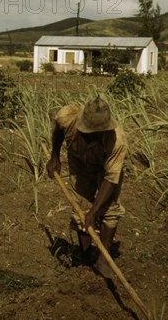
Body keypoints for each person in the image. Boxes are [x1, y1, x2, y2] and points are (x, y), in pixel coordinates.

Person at [46, 95, 127, 278]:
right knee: (81, 208)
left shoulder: (117, 142)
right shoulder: (67, 117)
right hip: (80, 162)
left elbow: (110, 179)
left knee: (109, 209)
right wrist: (55, 156)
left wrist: (95, 211)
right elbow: (58, 131)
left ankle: (104, 259)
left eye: (97, 133)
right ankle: (84, 258)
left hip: (105, 167)